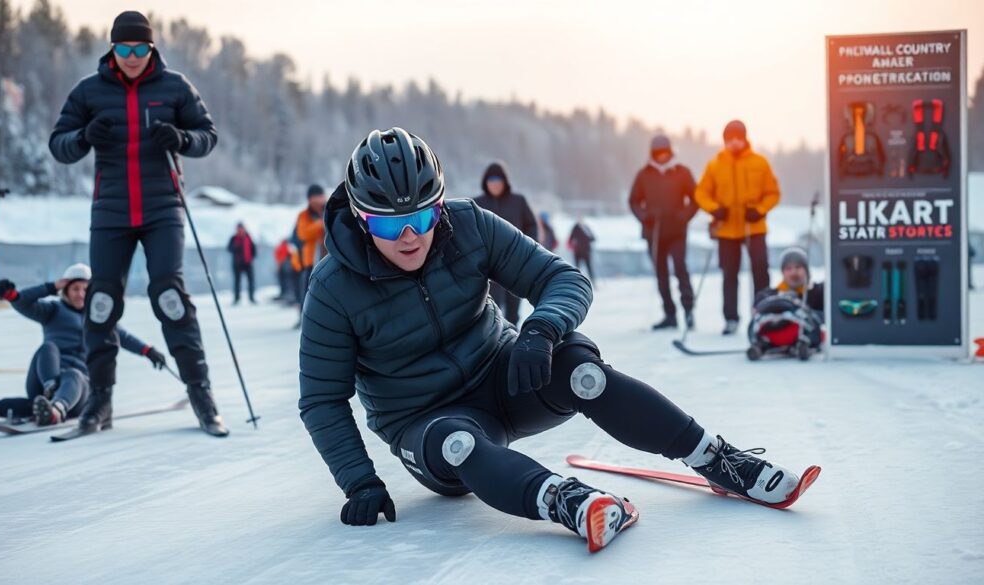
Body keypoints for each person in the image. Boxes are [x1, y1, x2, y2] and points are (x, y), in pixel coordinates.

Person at [299, 128, 809, 553]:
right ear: (363, 219)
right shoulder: (332, 288)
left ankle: (718, 459)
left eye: (421, 217)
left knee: (581, 371)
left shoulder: (468, 225)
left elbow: (565, 279)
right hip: (426, 424)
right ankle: (567, 501)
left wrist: (541, 331)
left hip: (504, 379)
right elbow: (322, 399)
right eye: (390, 223)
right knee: (459, 441)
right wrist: (359, 480)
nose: (409, 236)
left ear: (438, 207)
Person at [48, 11, 227, 437]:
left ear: (152, 48)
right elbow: (59, 145)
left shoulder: (174, 87)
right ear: (112, 48)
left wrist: (182, 139)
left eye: (140, 48)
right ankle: (100, 402)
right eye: (124, 48)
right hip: (111, 212)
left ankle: (201, 396)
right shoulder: (89, 91)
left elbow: (208, 134)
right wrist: (85, 135)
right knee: (101, 302)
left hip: (163, 208)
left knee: (169, 295)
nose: (132, 56)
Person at [0, 264, 165, 426]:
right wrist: (42, 289)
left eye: (86, 289)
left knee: (73, 376)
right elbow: (22, 303)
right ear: (64, 290)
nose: (81, 294)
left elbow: (124, 337)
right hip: (45, 379)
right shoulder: (52, 311)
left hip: (75, 393)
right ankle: (50, 391)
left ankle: (49, 410)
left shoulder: (99, 319)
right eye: (75, 288)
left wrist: (148, 351)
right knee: (48, 347)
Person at [695, 120, 781, 335]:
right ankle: (731, 319)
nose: (734, 142)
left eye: (737, 138)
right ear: (725, 141)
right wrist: (714, 209)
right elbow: (701, 193)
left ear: (744, 138)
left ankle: (763, 313)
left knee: (760, 270)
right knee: (729, 274)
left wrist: (760, 210)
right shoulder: (715, 164)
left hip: (754, 227)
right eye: (729, 139)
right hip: (727, 229)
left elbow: (773, 192)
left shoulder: (760, 162)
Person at [629, 134, 699, 330]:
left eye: (665, 152)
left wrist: (684, 215)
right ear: (652, 153)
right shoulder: (644, 174)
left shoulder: (682, 172)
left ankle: (689, 310)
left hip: (677, 231)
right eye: (657, 153)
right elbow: (634, 201)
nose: (661, 156)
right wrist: (645, 216)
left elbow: (696, 199)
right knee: (661, 274)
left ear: (670, 151)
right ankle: (670, 314)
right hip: (654, 233)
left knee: (680, 268)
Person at [473, 162, 537, 325]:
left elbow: (531, 225)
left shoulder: (518, 201)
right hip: (489, 268)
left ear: (505, 182)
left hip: (514, 265)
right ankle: (493, 345)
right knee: (490, 310)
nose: (495, 184)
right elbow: (470, 231)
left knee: (513, 311)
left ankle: (512, 344)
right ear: (485, 182)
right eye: (491, 180)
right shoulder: (476, 204)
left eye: (498, 180)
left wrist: (526, 250)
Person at [747, 248, 824, 360]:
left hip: (801, 332)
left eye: (798, 268)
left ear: (806, 270)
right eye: (789, 269)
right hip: (773, 331)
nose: (794, 272)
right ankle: (760, 346)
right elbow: (758, 309)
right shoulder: (769, 294)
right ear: (783, 272)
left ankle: (802, 346)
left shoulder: (817, 292)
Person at [291, 184, 328, 328]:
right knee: (307, 292)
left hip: (328, 258)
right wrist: (320, 224)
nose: (319, 200)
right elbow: (302, 233)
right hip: (310, 261)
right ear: (310, 199)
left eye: (321, 196)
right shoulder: (304, 215)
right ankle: (304, 318)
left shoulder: (330, 209)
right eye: (316, 197)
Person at [227, 222, 257, 305]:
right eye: (238, 228)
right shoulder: (234, 238)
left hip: (248, 263)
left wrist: (252, 257)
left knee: (251, 281)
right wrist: (235, 247)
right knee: (237, 282)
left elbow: (253, 248)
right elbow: (229, 248)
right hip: (237, 264)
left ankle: (251, 297)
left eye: (241, 228)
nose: (240, 230)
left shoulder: (248, 237)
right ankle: (237, 298)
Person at [567, 216, 596, 282]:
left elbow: (593, 238)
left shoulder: (586, 228)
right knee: (577, 268)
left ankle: (593, 282)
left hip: (586, 252)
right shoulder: (575, 228)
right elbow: (571, 238)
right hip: (578, 252)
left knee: (589, 268)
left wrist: (589, 237)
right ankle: (576, 282)